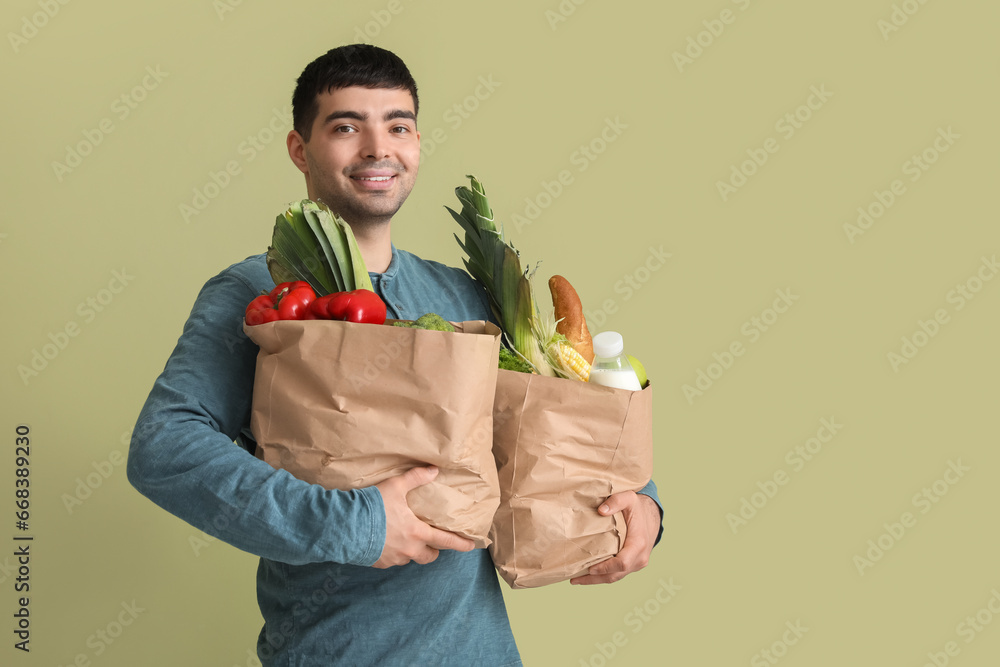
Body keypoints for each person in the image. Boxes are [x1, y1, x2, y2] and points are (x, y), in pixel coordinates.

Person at [127, 44, 664, 666]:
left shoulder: (462, 293)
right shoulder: (255, 294)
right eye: (347, 126)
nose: (378, 148)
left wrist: (642, 500)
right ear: (300, 150)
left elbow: (541, 424)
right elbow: (164, 446)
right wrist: (356, 524)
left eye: (398, 125)